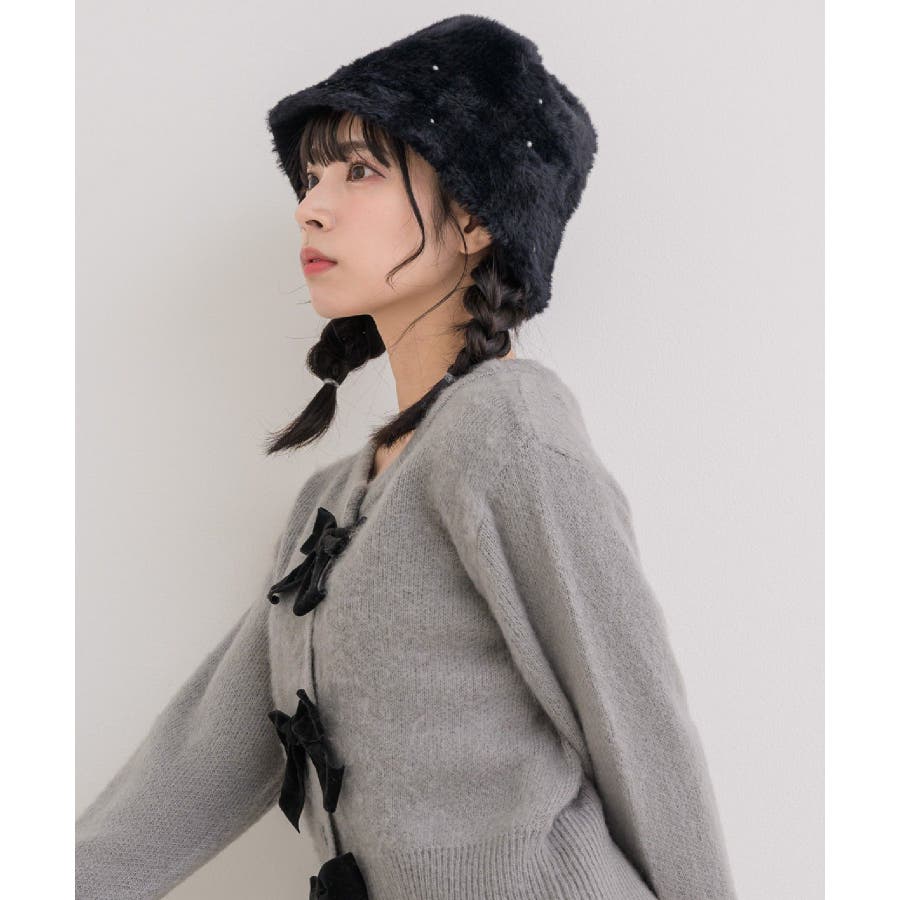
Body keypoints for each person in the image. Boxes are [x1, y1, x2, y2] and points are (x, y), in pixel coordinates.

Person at [75, 14, 738, 900]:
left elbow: (640, 728)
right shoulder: (331, 501)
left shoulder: (506, 430)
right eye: (313, 176)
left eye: (360, 171)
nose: (311, 204)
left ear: (474, 217)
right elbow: (203, 758)